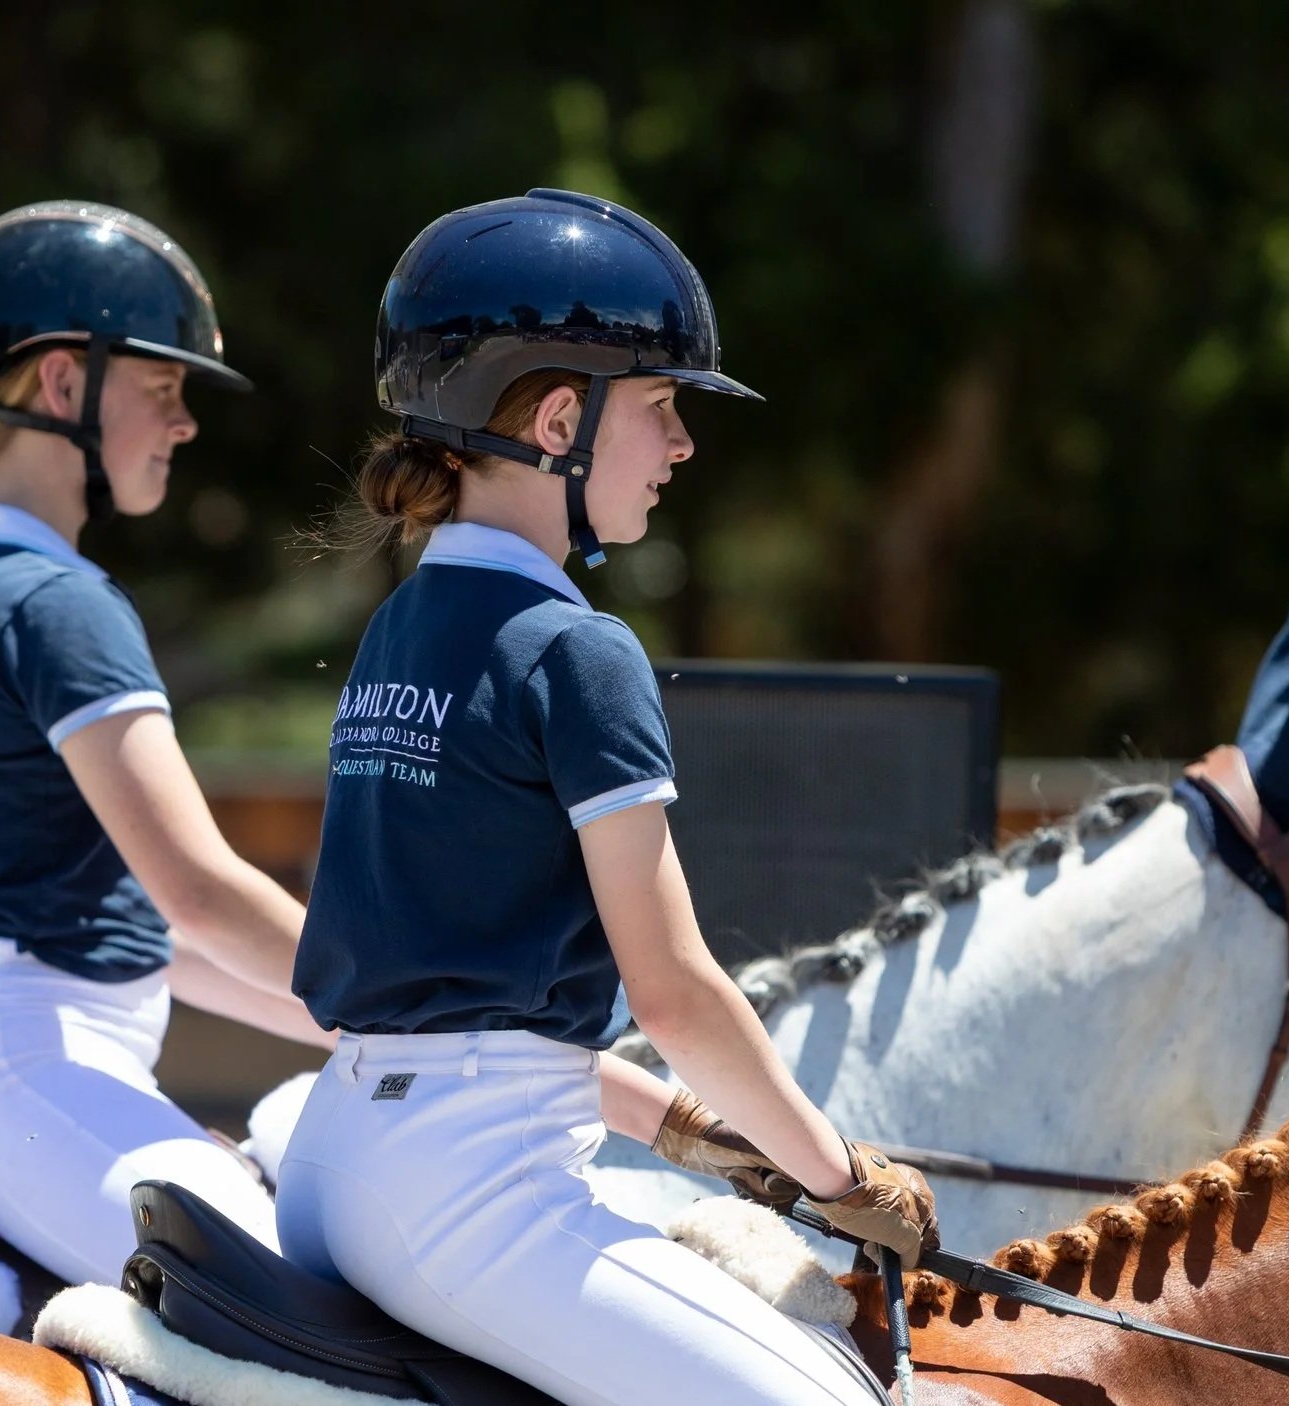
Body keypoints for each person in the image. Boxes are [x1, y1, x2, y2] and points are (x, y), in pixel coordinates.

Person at [276, 189, 936, 1406]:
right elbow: (673, 991)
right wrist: (840, 1174)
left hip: (337, 1157)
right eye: (662, 406)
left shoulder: (398, 626)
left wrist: (688, 1128)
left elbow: (456, 1006)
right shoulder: (578, 649)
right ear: (560, 419)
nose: (682, 445)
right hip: (466, 1192)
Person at [0, 200, 331, 1286]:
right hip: (20, 1058)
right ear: (64, 383)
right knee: (287, 1302)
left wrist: (373, 1030)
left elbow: (151, 936)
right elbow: (199, 894)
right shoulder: (55, 600)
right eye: (163, 389)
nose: (185, 423)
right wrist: (425, 1002)